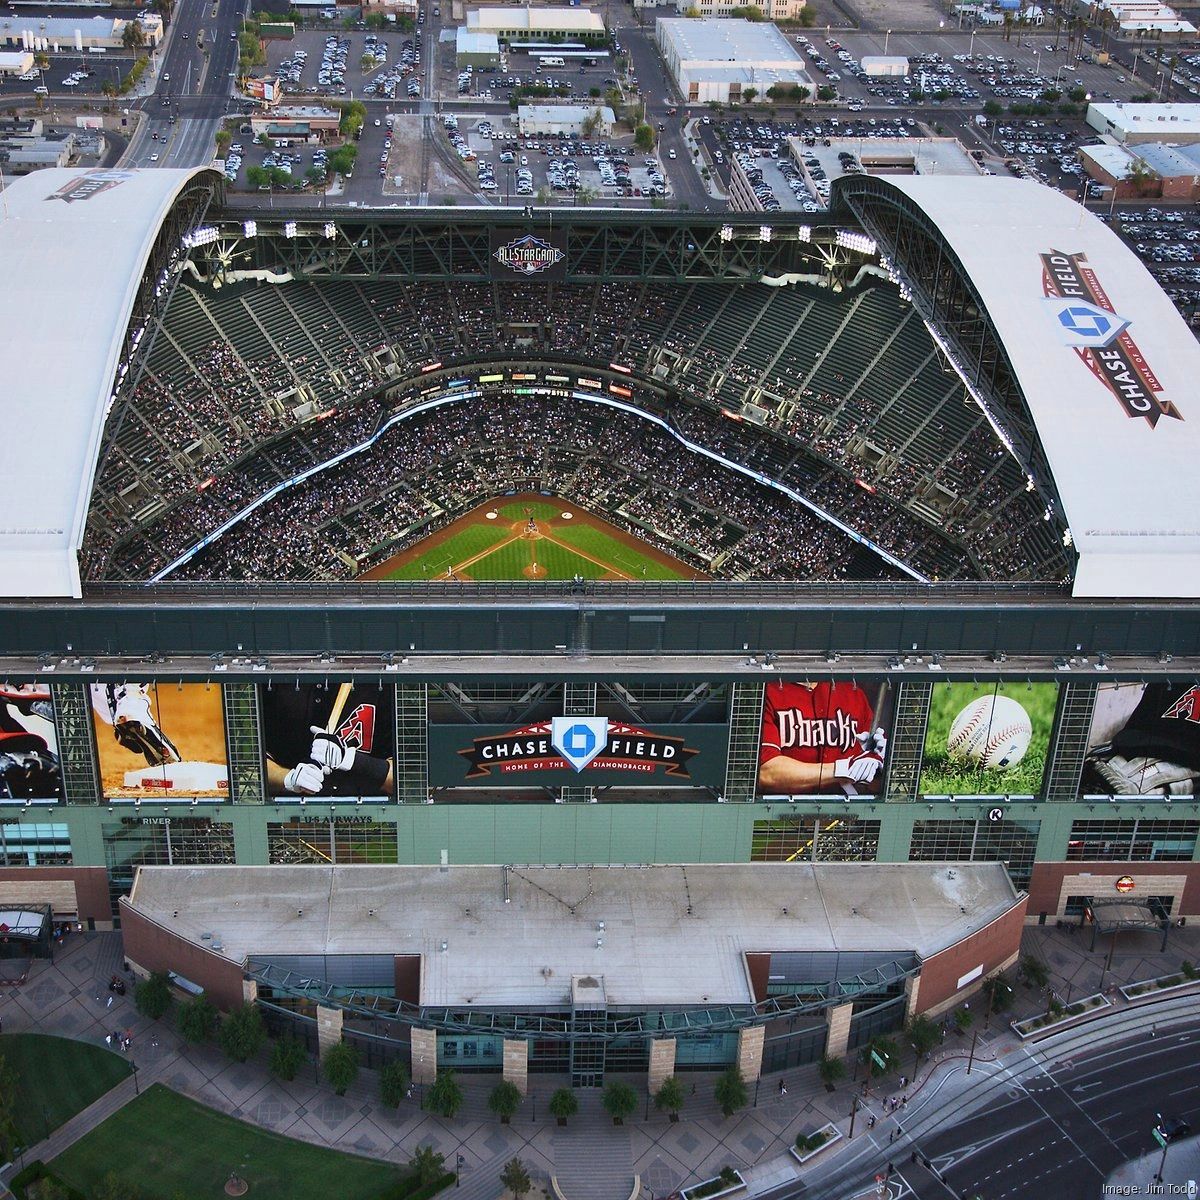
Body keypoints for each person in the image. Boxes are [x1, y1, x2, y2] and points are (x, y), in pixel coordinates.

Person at [262, 682, 396, 798]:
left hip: (369, 816)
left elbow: (404, 780)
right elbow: (253, 768)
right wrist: (288, 778)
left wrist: (351, 760)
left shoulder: (382, 682)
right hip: (293, 815)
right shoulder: (277, 680)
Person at [757, 679, 889, 795]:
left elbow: (870, 787)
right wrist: (842, 769)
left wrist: (879, 767)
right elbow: (766, 773)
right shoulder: (767, 691)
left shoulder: (852, 693)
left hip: (843, 815)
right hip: (777, 814)